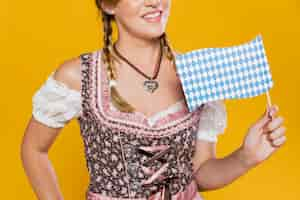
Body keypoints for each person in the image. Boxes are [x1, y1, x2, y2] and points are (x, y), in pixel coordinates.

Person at [20, 0, 287, 199]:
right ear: (108, 4)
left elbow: (201, 172)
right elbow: (34, 149)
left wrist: (246, 157)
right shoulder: (78, 76)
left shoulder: (196, 73)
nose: (155, 1)